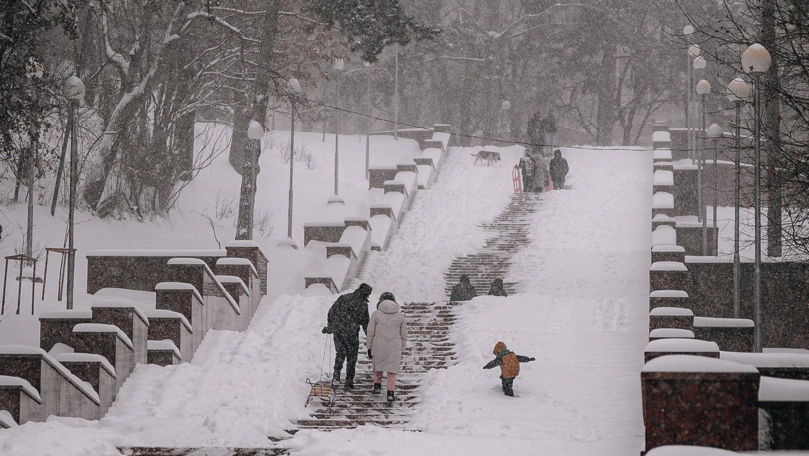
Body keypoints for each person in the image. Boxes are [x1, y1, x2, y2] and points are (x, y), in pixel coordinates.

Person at [322, 283, 372, 388]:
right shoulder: (363, 304)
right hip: (352, 333)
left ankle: (336, 377)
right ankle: (349, 381)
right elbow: (365, 322)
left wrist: (331, 326)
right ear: (366, 294)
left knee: (340, 353)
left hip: (339, 332)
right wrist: (369, 335)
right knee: (352, 357)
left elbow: (331, 312)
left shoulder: (344, 298)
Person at [366, 293, 408, 402]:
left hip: (379, 343)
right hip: (394, 345)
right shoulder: (400, 316)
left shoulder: (376, 314)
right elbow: (404, 334)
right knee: (392, 370)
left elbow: (370, 331)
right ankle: (390, 393)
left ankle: (377, 386)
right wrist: (402, 348)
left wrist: (369, 347)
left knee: (378, 365)